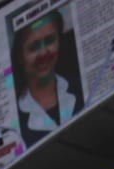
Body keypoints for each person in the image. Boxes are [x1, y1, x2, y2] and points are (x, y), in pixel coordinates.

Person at [12, 9, 85, 148]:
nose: (44, 53)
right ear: (20, 57)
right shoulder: (13, 121)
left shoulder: (81, 85)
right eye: (34, 47)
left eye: (50, 40)